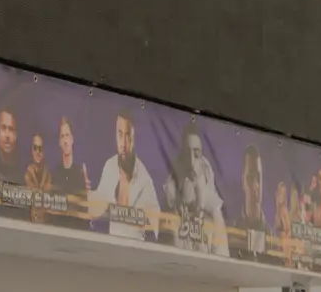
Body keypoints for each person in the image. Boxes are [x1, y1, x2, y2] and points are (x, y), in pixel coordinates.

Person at [164, 123, 228, 257]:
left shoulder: (215, 216)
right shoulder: (169, 206)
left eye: (197, 154)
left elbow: (223, 263)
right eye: (187, 154)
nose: (192, 162)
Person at [91, 110, 156, 240]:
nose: (123, 144)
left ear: (134, 137)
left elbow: (157, 230)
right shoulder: (109, 167)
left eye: (128, 136)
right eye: (120, 134)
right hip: (111, 251)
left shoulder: (145, 181)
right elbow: (95, 210)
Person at [47, 117, 91, 229]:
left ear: (72, 139)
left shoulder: (81, 172)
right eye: (62, 136)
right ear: (59, 142)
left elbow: (85, 211)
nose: (65, 140)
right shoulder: (54, 174)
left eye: (67, 135)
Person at [230, 145, 269, 262]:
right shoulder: (231, 237)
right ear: (243, 181)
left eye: (258, 178)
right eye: (250, 178)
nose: (255, 186)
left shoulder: (273, 242)